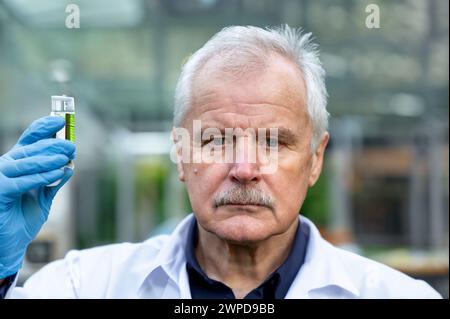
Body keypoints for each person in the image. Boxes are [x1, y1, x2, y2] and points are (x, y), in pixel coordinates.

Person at [0, 25, 441, 299]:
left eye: (272, 142)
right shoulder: (86, 286)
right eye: (216, 140)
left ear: (314, 160)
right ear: (181, 153)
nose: (245, 169)